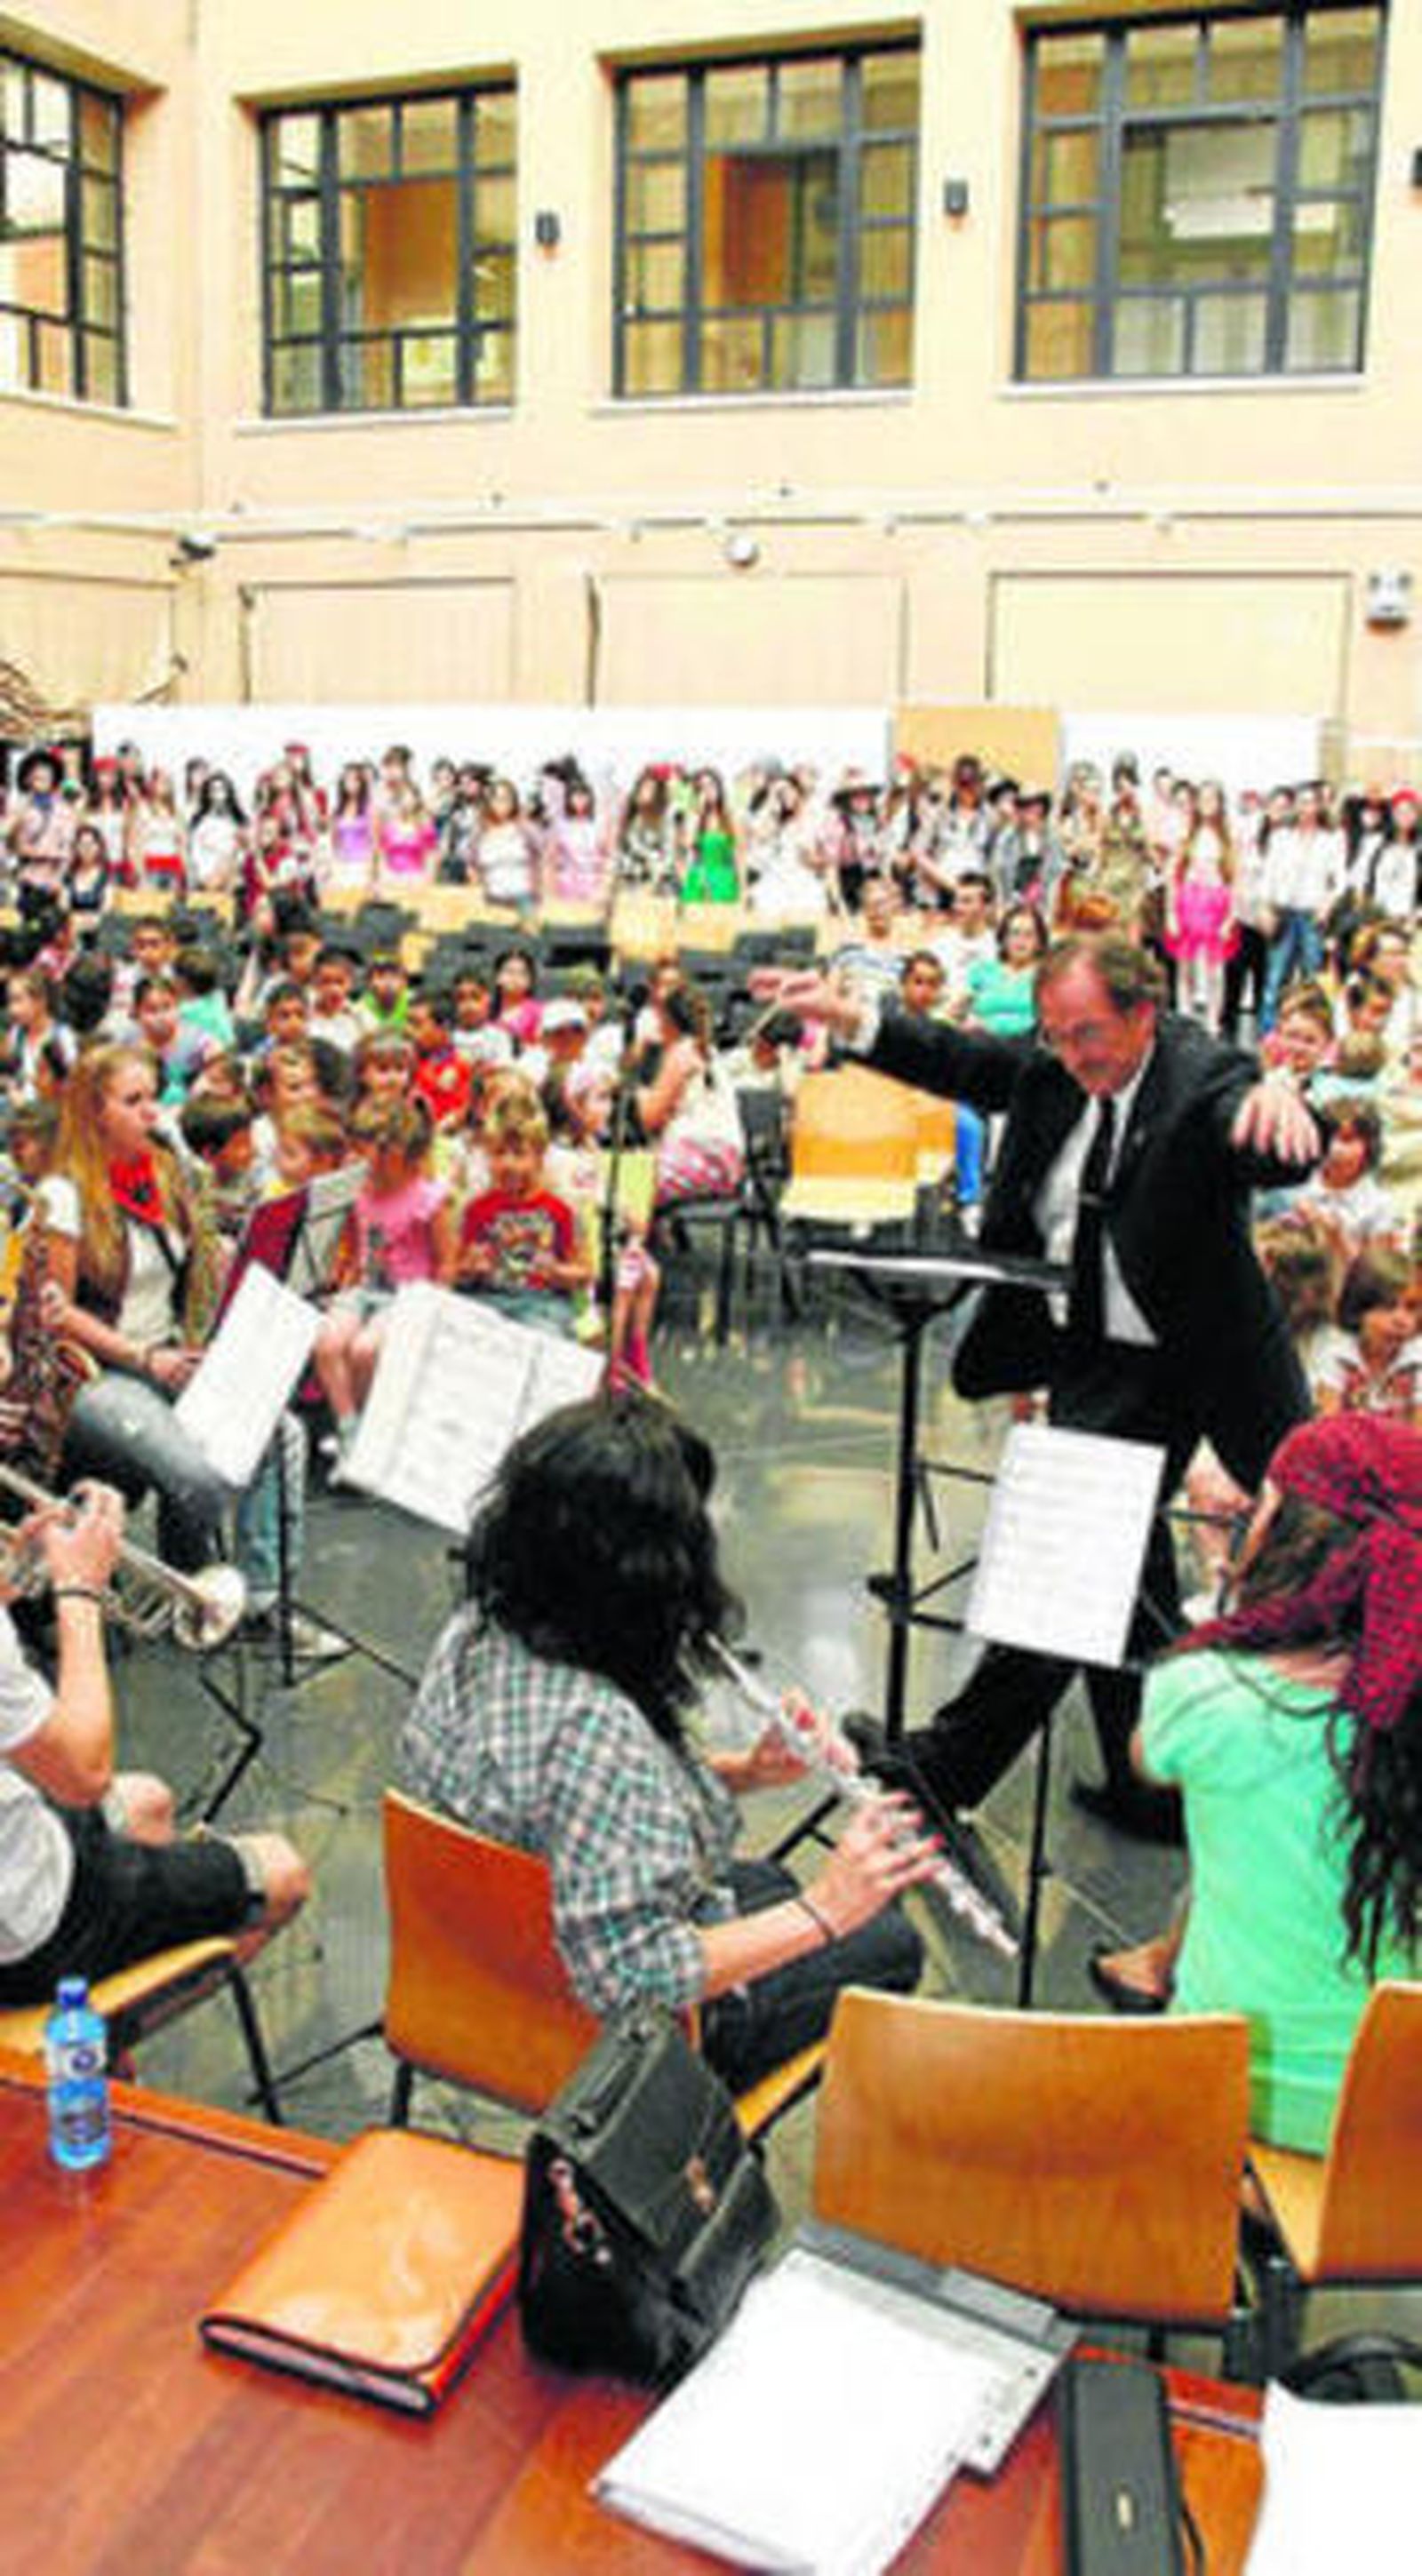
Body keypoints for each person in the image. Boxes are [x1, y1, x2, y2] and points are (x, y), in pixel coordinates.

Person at [760, 932, 1320, 1838]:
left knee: (1320, 1537)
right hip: (1106, 1356)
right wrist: (848, 1017)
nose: (1072, 1055)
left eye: (1089, 1033)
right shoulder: (1060, 1067)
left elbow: (1263, 1131)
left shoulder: (1199, 1076)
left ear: (1144, 1014)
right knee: (1091, 1562)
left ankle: (1348, 1765)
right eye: (1056, 1035)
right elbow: (960, 1057)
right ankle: (1121, 1781)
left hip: (1212, 1355)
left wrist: (1284, 1101)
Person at [400, 1398, 932, 2092]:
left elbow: (557, 1798)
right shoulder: (597, 1729)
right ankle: (699, 2152)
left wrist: (746, 1770)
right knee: (889, 1941)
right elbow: (632, 1976)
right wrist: (826, 1908)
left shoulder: (478, 1626)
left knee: (768, 1883)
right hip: (601, 2041)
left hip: (477, 1964)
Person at [1102, 1416, 1422, 2149]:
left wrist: (1232, 1589)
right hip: (1400, 2129)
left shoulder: (1205, 1691)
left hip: (1238, 2102)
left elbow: (1149, 1759)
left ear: (1270, 1524)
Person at [0, 1479, 308, 2006]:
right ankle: (91, 2039)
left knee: (149, 1800)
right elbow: (83, 1776)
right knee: (284, 1873)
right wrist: (79, 1593)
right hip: (25, 1930)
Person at [28, 1046, 229, 1574]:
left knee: (282, 1437)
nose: (153, 1114)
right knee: (198, 1477)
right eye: (133, 1101)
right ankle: (192, 1592)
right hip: (99, 1373)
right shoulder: (64, 1193)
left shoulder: (165, 1174)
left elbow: (193, 1272)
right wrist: (143, 1357)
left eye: (155, 1099)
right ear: (95, 1113)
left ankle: (256, 1595)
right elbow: (60, 1313)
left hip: (167, 1352)